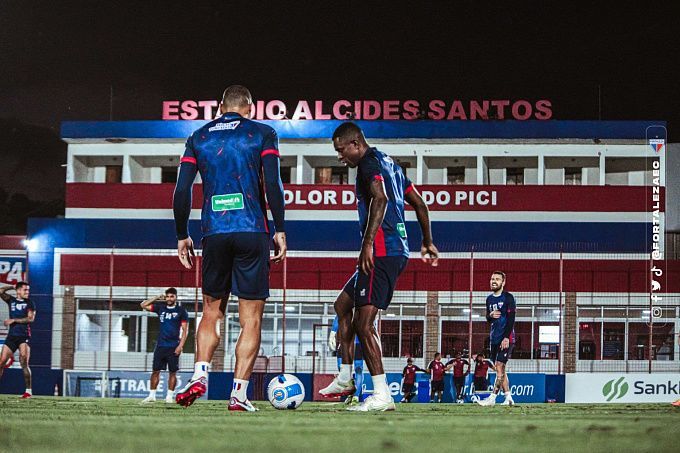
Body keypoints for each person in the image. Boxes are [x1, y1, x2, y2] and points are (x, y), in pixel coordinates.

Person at [173, 85, 286, 411]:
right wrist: (280, 229)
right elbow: (273, 184)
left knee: (212, 311)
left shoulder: (198, 137)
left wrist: (182, 234)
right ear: (250, 108)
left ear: (220, 107)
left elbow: (182, 189)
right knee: (251, 318)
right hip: (252, 231)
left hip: (214, 233)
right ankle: (238, 394)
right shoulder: (263, 133)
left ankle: (199, 374)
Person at [319, 122, 439, 412]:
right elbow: (420, 204)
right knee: (342, 305)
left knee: (364, 323)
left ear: (356, 144)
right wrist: (427, 241)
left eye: (341, 150)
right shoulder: (391, 164)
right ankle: (345, 378)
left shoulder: (368, 164)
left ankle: (383, 395)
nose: (339, 157)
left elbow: (380, 198)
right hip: (393, 249)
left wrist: (368, 244)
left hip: (383, 252)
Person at [140, 288, 189, 404]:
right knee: (155, 371)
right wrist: (157, 297)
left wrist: (180, 346)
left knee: (172, 372)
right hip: (160, 346)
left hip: (173, 346)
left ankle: (169, 397)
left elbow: (185, 330)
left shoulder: (181, 311)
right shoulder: (160, 308)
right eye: (167, 296)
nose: (169, 298)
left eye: (172, 296)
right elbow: (143, 305)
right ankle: (152, 396)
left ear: (176, 297)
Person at [478, 271, 516, 406]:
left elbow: (511, 319)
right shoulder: (489, 299)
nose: (494, 281)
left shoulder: (508, 298)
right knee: (500, 369)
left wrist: (506, 337)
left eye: (497, 279)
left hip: (505, 338)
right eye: (492, 279)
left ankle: (492, 398)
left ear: (503, 282)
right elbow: (488, 319)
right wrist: (490, 315)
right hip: (494, 339)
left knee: (499, 366)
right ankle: (508, 398)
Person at [0, 282, 35, 398]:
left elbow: (30, 319)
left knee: (24, 363)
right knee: (1, 362)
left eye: (28, 290)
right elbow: (0, 291)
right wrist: (12, 286)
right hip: (11, 337)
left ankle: (28, 391)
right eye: (25, 290)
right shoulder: (11, 300)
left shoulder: (30, 303)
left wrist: (14, 320)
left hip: (23, 337)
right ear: (18, 291)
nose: (27, 292)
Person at [328, 315, 364, 405]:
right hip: (345, 342)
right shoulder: (347, 306)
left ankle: (356, 396)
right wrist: (332, 334)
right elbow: (338, 317)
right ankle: (351, 393)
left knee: (358, 369)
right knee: (342, 370)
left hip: (358, 342)